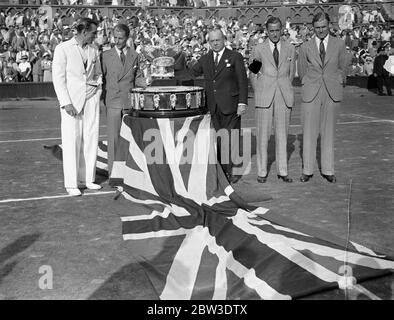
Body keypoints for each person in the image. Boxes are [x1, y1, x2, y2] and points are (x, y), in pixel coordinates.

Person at [189, 28, 248, 184]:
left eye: (218, 40)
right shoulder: (205, 59)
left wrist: (242, 102)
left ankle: (234, 171)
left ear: (224, 40)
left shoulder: (235, 56)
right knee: (220, 140)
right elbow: (191, 73)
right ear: (208, 42)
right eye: (212, 41)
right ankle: (223, 172)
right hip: (213, 106)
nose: (215, 43)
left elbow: (243, 81)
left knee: (232, 139)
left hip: (232, 105)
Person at [52, 18, 103, 196]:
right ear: (83, 32)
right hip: (71, 103)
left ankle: (88, 179)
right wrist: (66, 102)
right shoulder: (62, 48)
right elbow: (58, 78)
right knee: (71, 140)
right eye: (93, 33)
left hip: (90, 99)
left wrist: (97, 91)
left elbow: (97, 74)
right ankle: (71, 183)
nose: (95, 36)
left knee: (91, 137)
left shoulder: (94, 49)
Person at [297, 12, 348, 183]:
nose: (320, 30)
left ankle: (328, 169)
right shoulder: (305, 46)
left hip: (331, 91)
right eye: (317, 27)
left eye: (323, 27)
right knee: (309, 133)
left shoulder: (340, 44)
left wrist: (337, 81)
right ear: (313, 27)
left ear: (329, 26)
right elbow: (302, 70)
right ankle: (307, 170)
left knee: (328, 132)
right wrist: (308, 83)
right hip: (311, 91)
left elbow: (343, 66)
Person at [249, 16, 296, 184]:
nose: (274, 34)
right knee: (262, 135)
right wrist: (259, 91)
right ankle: (262, 172)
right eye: (271, 31)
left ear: (282, 29)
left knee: (282, 135)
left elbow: (291, 73)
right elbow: (253, 73)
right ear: (266, 31)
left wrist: (285, 88)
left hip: (283, 95)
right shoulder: (258, 49)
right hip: (264, 96)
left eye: (277, 30)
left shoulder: (290, 48)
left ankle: (282, 171)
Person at [101, 23, 147, 176]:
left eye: (121, 38)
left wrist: (146, 84)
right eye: (115, 37)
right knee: (113, 139)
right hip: (113, 102)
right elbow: (101, 80)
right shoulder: (105, 56)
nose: (117, 41)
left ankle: (130, 173)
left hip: (129, 103)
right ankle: (114, 174)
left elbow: (138, 77)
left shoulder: (135, 55)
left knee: (130, 138)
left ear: (127, 38)